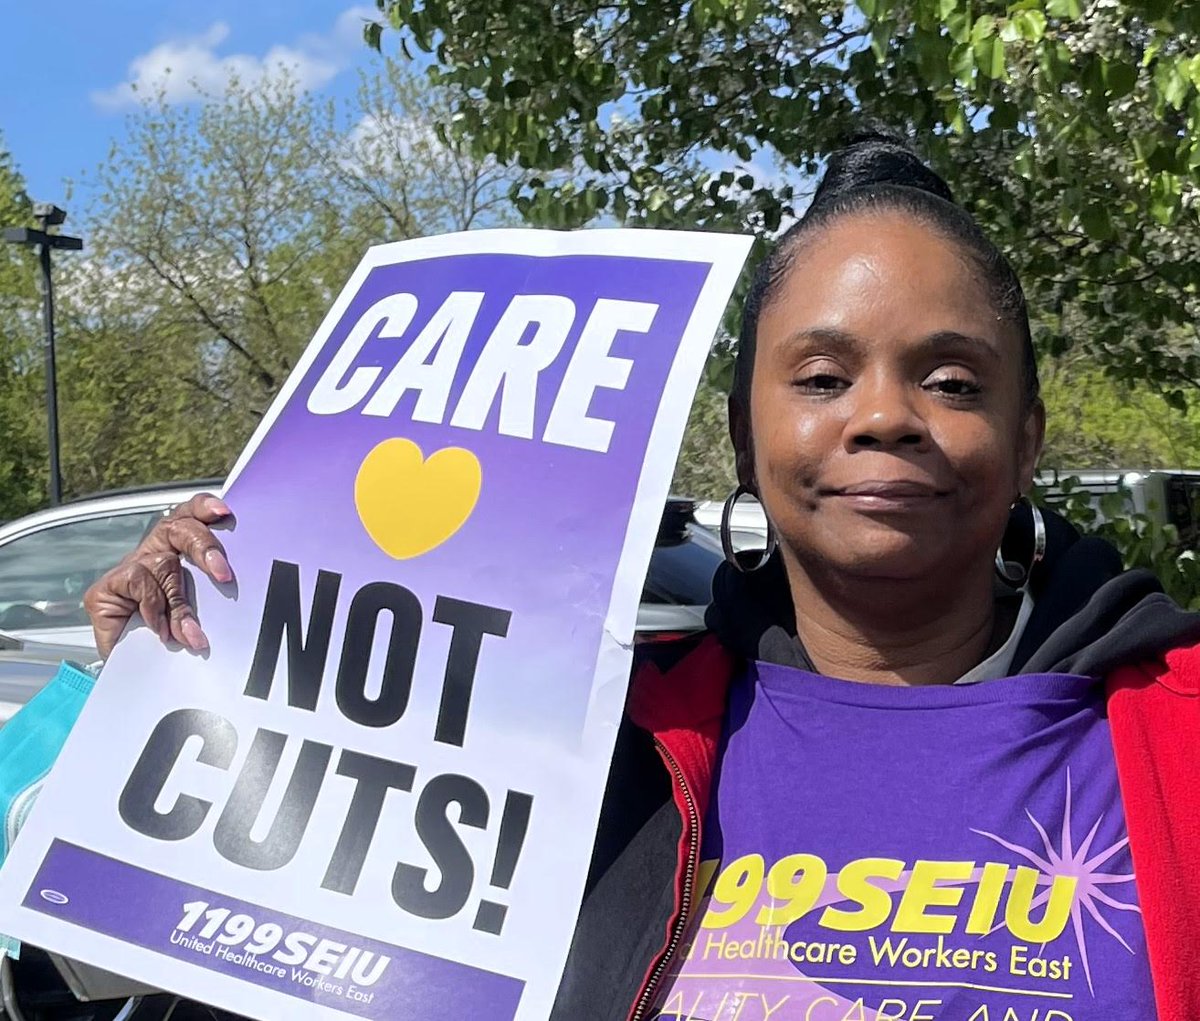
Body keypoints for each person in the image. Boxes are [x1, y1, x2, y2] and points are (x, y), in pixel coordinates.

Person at [81, 134, 1200, 1020]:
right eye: (821, 374)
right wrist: (189, 674)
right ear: (744, 430)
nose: (883, 417)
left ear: (1028, 436)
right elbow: (243, 951)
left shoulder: (1177, 725)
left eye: (952, 380)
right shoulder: (575, 736)